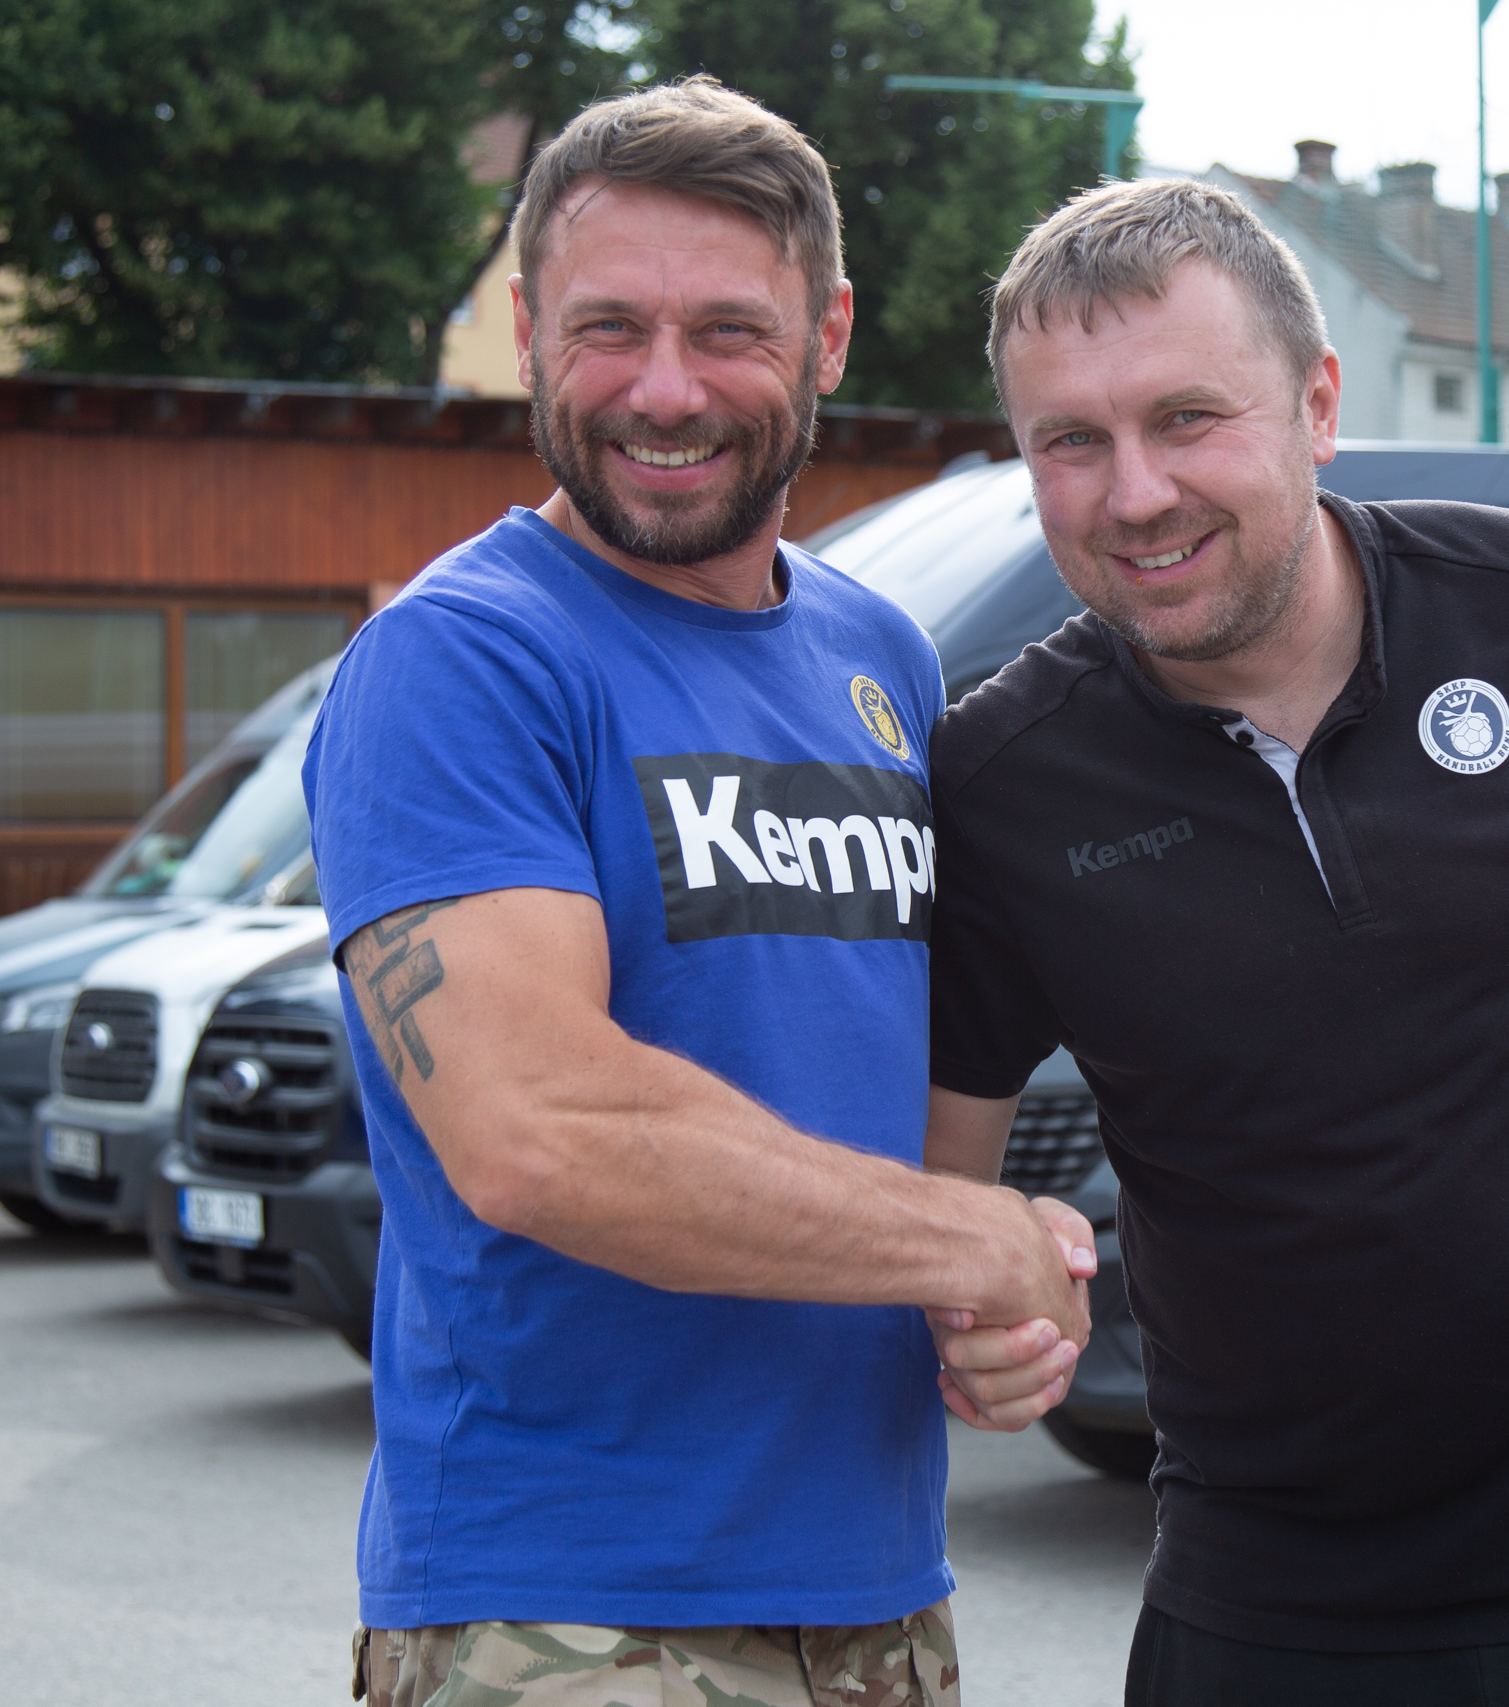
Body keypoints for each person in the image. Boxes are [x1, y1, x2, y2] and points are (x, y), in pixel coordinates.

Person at [922, 178, 1509, 1705]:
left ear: (1318, 405)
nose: (1136, 493)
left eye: (1187, 419)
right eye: (1071, 442)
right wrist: (984, 1310)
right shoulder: (1001, 780)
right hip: (1280, 1615)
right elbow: (939, 1184)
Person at [304, 79, 1093, 1707]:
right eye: (610, 328)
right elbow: (541, 1135)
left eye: (730, 330)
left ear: (830, 337)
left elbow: (872, 1063)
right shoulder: (461, 661)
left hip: (879, 1596)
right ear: (528, 332)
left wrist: (993, 1309)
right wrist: (968, 1236)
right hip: (566, 1615)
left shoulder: (880, 655)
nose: (665, 391)